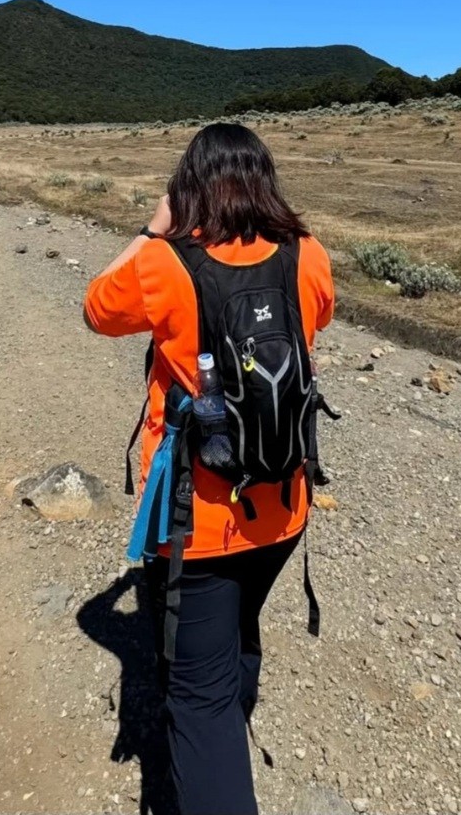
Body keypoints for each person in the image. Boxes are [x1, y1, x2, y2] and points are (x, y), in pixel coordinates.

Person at [83, 122, 335, 815]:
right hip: (283, 504)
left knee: (197, 699)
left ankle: (218, 743)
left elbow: (96, 309)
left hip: (199, 522)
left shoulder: (164, 263)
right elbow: (319, 318)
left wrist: (152, 227)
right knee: (242, 619)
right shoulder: (307, 252)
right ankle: (235, 709)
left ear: (189, 185)